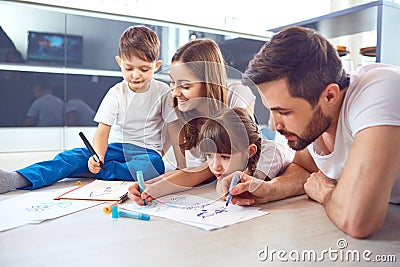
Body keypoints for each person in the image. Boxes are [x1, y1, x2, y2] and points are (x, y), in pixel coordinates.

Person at [225, 26, 400, 238]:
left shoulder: (381, 89)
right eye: (272, 111)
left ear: (329, 96)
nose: (273, 125)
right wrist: (270, 189)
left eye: (285, 112)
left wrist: (326, 192)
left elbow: (357, 221)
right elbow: (303, 167)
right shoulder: (321, 118)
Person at [0, 25, 183, 194]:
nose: (136, 75)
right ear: (120, 63)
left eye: (144, 69)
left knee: (154, 166)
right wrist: (98, 157)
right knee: (70, 156)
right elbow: (103, 132)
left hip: (146, 152)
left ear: (157, 66)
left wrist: (181, 166)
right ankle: (20, 178)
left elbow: (173, 129)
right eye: (129, 68)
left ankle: (89, 171)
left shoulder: (164, 91)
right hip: (114, 148)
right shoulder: (116, 93)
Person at [128, 38, 293, 203]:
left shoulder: (237, 96)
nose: (175, 92)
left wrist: (159, 187)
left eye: (185, 86)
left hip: (260, 156)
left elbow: (214, 166)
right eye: (173, 82)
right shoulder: (181, 111)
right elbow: (190, 170)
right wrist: (151, 184)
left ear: (208, 82)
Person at [130, 107, 295, 205]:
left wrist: (223, 184)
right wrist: (150, 188)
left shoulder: (269, 156)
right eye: (209, 155)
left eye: (224, 157)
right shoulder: (227, 156)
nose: (215, 165)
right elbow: (192, 175)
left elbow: (240, 187)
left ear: (249, 152)